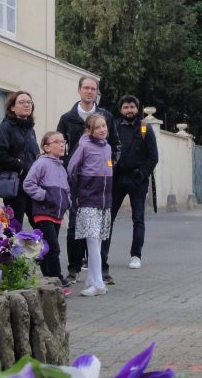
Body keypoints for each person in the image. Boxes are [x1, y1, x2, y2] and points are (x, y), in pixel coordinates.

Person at [57, 76, 120, 285]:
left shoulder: (106, 116)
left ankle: (102, 269)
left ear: (97, 92)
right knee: (75, 225)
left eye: (93, 88)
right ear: (79, 90)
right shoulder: (68, 118)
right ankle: (74, 269)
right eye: (86, 88)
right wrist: (71, 179)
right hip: (79, 184)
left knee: (102, 228)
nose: (90, 91)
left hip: (102, 184)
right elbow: (60, 147)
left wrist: (108, 167)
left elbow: (115, 146)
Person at [101, 95, 158, 276]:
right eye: (125, 107)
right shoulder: (114, 127)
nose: (129, 110)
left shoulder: (145, 128)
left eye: (132, 107)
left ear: (137, 108)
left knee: (138, 218)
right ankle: (101, 257)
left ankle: (136, 255)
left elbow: (153, 157)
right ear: (121, 110)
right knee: (108, 218)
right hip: (116, 180)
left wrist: (141, 174)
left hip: (137, 181)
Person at [67, 114, 113, 297]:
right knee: (92, 240)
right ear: (90, 130)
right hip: (88, 200)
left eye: (104, 126)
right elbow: (72, 169)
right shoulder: (84, 146)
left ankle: (92, 280)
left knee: (98, 240)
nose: (103, 129)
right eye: (98, 127)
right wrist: (79, 191)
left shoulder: (108, 147)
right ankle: (99, 283)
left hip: (105, 202)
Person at [23, 132, 72, 291]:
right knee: (53, 247)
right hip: (43, 212)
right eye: (57, 142)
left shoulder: (61, 167)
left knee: (47, 248)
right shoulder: (41, 163)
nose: (61, 144)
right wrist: (45, 196)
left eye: (63, 141)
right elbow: (29, 184)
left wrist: (67, 202)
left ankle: (46, 281)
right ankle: (57, 280)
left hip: (57, 215)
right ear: (46, 147)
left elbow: (67, 189)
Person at [0, 91, 40, 228]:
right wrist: (20, 165)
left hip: (31, 184)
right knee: (13, 227)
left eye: (29, 102)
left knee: (40, 224)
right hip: (15, 185)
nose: (27, 105)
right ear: (12, 107)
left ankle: (45, 249)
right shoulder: (6, 127)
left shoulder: (30, 129)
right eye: (22, 102)